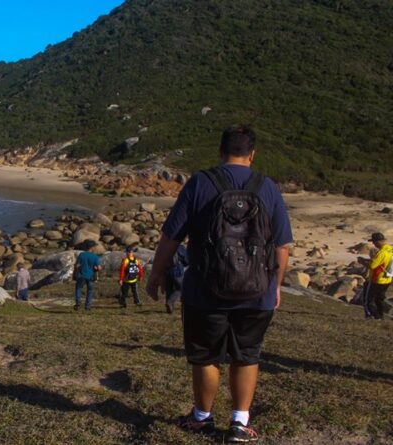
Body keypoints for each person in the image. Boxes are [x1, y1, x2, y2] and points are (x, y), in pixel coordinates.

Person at [147, 125, 293, 443]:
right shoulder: (267, 187)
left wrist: (157, 272)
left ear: (221, 151)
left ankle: (202, 417)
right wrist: (276, 285)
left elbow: (172, 236)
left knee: (205, 356)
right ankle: (239, 423)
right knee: (247, 355)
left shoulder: (201, 182)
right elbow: (282, 246)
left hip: (205, 290)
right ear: (252, 154)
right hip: (257, 292)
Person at [359, 232, 392, 320]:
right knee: (379, 299)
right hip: (387, 280)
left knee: (368, 300)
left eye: (373, 242)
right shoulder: (390, 249)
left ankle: (372, 317)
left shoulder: (381, 252)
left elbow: (372, 266)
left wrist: (362, 261)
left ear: (378, 241)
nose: (373, 244)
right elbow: (382, 262)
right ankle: (380, 317)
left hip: (377, 279)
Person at [73, 240, 102, 311]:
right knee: (90, 290)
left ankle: (78, 301)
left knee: (78, 288)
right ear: (92, 248)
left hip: (81, 275)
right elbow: (98, 268)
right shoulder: (95, 257)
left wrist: (75, 272)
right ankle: (87, 306)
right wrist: (97, 269)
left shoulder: (81, 255)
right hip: (91, 276)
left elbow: (77, 266)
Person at [118, 246, 144, 312]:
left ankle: (123, 303)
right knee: (135, 292)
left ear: (126, 253)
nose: (129, 253)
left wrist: (120, 279)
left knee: (124, 292)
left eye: (129, 252)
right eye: (130, 252)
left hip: (126, 280)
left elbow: (122, 271)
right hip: (134, 279)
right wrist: (140, 276)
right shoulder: (136, 260)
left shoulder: (125, 260)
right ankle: (137, 302)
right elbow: (140, 269)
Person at [165, 244, 189, 314]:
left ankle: (169, 307)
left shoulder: (165, 246)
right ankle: (170, 302)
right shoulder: (180, 247)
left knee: (169, 289)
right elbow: (186, 260)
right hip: (177, 271)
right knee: (180, 289)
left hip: (166, 271)